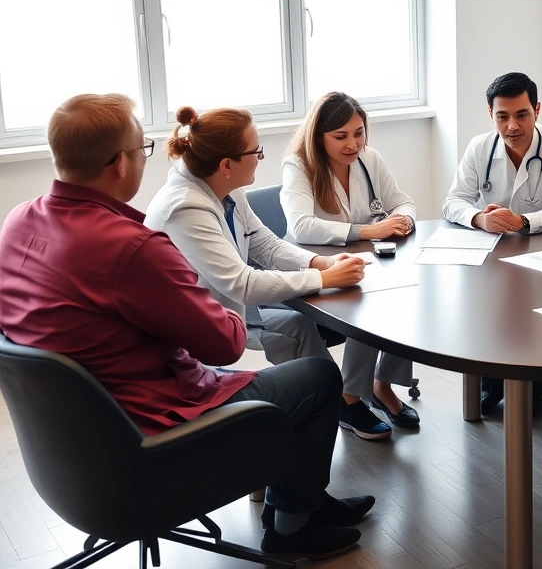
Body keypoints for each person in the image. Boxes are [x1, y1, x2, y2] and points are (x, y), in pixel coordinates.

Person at [0, 94, 372, 559]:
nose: (147, 157)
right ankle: (293, 530)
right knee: (317, 378)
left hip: (72, 436)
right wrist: (224, 299)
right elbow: (226, 343)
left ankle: (306, 500)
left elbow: (260, 247)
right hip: (149, 424)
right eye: (142, 150)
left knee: (294, 344)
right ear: (119, 164)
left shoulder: (18, 221)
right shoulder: (131, 246)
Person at [144, 107, 404, 445]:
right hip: (197, 327)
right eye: (256, 151)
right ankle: (328, 405)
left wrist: (318, 263)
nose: (261, 157)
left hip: (228, 304)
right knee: (295, 329)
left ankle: (335, 403)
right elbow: (243, 284)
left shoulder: (222, 185)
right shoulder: (184, 209)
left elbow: (263, 243)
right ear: (226, 164)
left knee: (306, 322)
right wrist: (325, 280)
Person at [281, 92, 421, 436]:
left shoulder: (370, 160)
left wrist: (403, 219)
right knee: (371, 303)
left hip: (363, 262)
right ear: (318, 136)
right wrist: (370, 229)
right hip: (314, 268)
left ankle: (381, 384)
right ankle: (349, 396)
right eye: (340, 136)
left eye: (358, 133)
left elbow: (402, 200)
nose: (353, 144)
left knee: (406, 292)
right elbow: (300, 226)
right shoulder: (298, 166)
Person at [442, 71, 542, 414]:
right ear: (491, 114)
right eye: (502, 116)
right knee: (492, 315)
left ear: (537, 110)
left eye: (522, 115)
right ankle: (491, 382)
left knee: (533, 321)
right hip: (494, 252)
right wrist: (480, 218)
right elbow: (453, 201)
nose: (512, 126)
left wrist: (523, 221)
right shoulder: (479, 147)